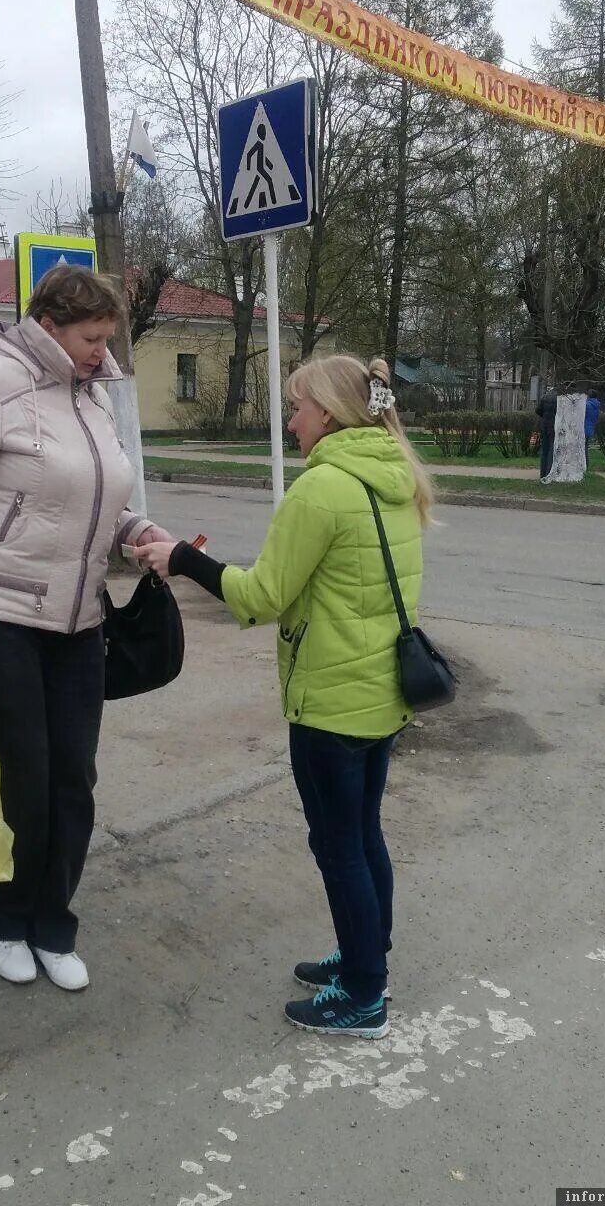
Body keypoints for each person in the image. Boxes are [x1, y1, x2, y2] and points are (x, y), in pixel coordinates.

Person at [0, 265, 174, 987]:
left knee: (73, 775)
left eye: (107, 338)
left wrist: (137, 528)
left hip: (77, 617)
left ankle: (53, 922)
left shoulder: (91, 395)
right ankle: (0, 917)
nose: (99, 351)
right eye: (89, 336)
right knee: (24, 775)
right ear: (48, 325)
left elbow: (98, 496)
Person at [136, 356, 432, 1039]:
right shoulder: (393, 473)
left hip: (331, 702)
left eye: (296, 406)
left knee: (339, 846)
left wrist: (183, 559)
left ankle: (363, 995)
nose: (290, 419)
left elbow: (261, 596)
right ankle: (367, 956)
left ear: (327, 414)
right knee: (361, 835)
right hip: (381, 692)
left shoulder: (323, 486)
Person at [535, 385, 557, 480]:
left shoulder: (545, 396)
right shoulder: (560, 398)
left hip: (545, 425)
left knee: (544, 450)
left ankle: (542, 473)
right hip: (555, 426)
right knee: (551, 451)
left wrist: (545, 416)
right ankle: (549, 473)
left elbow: (538, 410)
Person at [584, 389, 601, 469]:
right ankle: (586, 466)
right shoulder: (596, 406)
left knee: (583, 449)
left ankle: (584, 466)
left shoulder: (587, 405)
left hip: (584, 428)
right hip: (590, 428)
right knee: (585, 448)